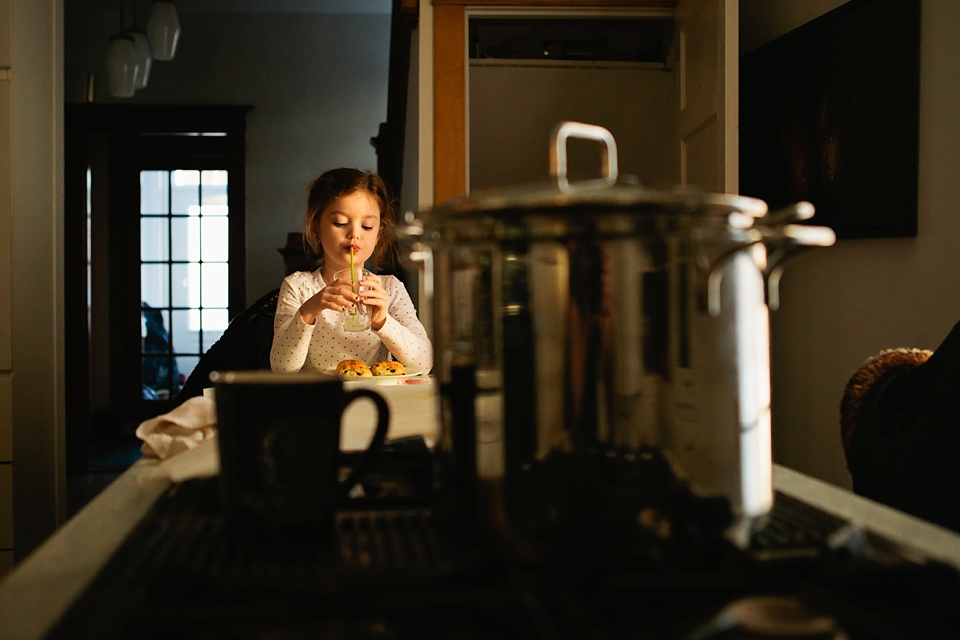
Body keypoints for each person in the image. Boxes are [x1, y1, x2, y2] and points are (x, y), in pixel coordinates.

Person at [270, 168, 432, 375]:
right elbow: (281, 369)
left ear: (379, 234)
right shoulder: (299, 286)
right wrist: (309, 311)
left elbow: (424, 363)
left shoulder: (390, 289)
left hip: (375, 399)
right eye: (340, 223)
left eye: (367, 226)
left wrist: (383, 322)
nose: (354, 234)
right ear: (316, 225)